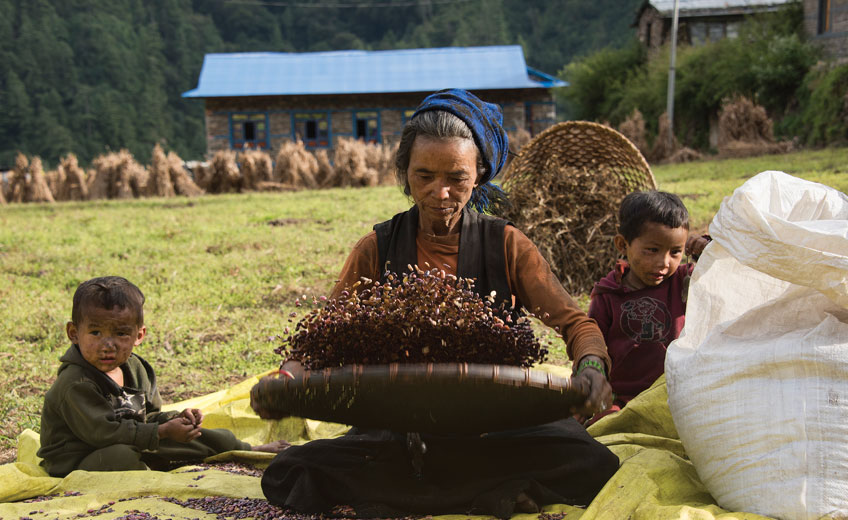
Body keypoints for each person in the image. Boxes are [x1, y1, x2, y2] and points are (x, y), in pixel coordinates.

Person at [261, 89, 619, 518]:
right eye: (423, 175)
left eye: (456, 177)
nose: (440, 192)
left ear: (480, 174)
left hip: (494, 427)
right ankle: (488, 489)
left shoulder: (505, 245)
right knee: (287, 471)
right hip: (396, 427)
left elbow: (577, 324)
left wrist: (592, 370)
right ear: (404, 174)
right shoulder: (378, 247)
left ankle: (397, 495)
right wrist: (285, 379)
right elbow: (316, 345)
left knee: (596, 463)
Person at [37, 276, 288, 477]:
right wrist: (163, 431)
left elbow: (148, 417)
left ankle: (246, 450)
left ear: (139, 335)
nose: (108, 345)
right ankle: (151, 475)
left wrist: (176, 420)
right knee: (122, 456)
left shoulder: (135, 368)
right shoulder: (75, 383)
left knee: (201, 434)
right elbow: (104, 433)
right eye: (95, 332)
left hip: (131, 439)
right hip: (79, 459)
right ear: (73, 333)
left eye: (121, 333)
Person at [587, 191, 710, 420]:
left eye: (675, 252)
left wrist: (708, 249)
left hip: (676, 396)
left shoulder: (684, 283)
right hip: (622, 400)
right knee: (602, 428)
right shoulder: (606, 296)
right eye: (652, 250)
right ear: (623, 244)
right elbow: (591, 346)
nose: (664, 263)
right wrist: (592, 376)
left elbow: (726, 275)